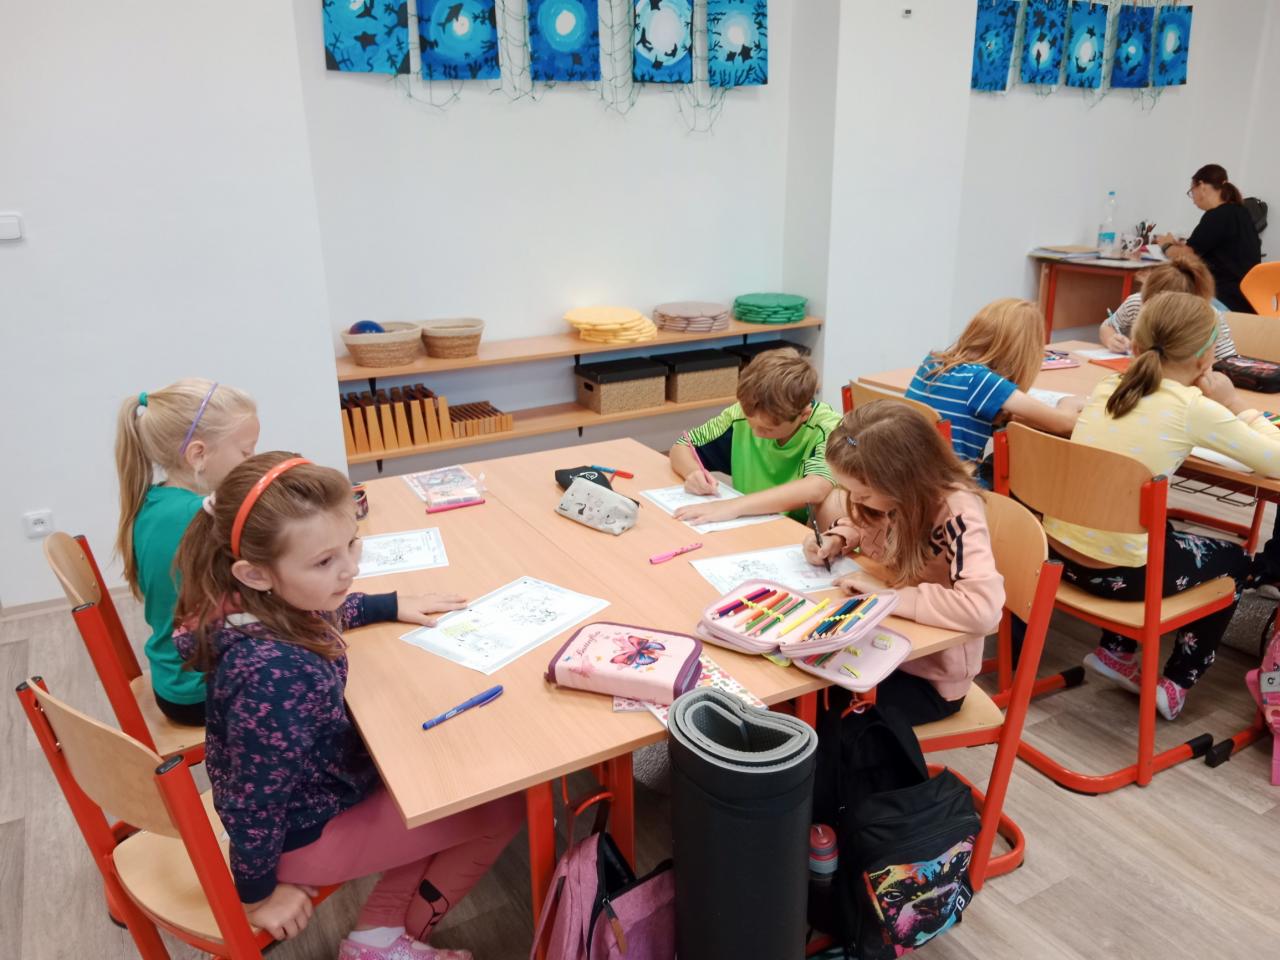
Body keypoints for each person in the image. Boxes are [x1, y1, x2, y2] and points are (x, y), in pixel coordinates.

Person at [173, 452, 512, 959]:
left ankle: (379, 931)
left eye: (352, 543)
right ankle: (388, 947)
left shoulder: (256, 604)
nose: (351, 568)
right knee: (500, 806)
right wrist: (258, 894)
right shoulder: (276, 676)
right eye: (324, 562)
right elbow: (253, 803)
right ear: (257, 574)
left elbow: (321, 610)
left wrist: (386, 604)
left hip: (319, 793)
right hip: (302, 835)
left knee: (434, 779)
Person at [1044, 292, 1280, 720]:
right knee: (1236, 560)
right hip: (1122, 575)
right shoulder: (1193, 408)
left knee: (1152, 525)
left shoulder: (1110, 386)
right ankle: (1175, 683)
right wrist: (1234, 404)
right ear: (1206, 355)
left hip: (1060, 558)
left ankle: (1117, 650)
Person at [803, 402, 1005, 727]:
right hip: (877, 647)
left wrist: (887, 596)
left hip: (929, 676)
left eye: (863, 495)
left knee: (822, 717)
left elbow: (983, 609)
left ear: (903, 481)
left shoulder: (958, 511)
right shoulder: (891, 498)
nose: (855, 501)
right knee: (796, 690)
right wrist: (837, 538)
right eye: (850, 492)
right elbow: (868, 524)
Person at [114, 379, 259, 725]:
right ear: (198, 455)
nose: (251, 461)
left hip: (172, 678)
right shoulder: (200, 517)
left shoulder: (156, 499)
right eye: (246, 452)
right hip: (200, 691)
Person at [904, 298, 1084, 481]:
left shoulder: (932, 363)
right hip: (951, 488)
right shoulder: (982, 381)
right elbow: (1065, 424)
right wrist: (1068, 403)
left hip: (910, 479)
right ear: (1025, 352)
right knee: (1021, 464)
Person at [670, 349, 840, 524]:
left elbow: (817, 487)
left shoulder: (829, 428)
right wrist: (692, 472)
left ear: (803, 415)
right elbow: (682, 445)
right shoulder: (740, 414)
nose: (756, 433)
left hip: (800, 529)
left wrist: (732, 506)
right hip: (750, 520)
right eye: (751, 423)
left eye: (768, 429)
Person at [1158, 164, 1261, 314]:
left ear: (1202, 186)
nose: (1193, 199)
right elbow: (1214, 248)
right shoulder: (1240, 212)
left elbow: (1187, 256)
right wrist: (1182, 246)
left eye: (1191, 191)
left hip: (1225, 300)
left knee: (1167, 298)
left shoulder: (1217, 215)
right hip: (1248, 300)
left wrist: (1165, 245)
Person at [1098, 252, 1238, 359]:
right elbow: (1108, 326)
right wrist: (1111, 339)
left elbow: (1227, 362)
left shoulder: (1209, 317)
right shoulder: (1136, 303)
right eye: (1153, 306)